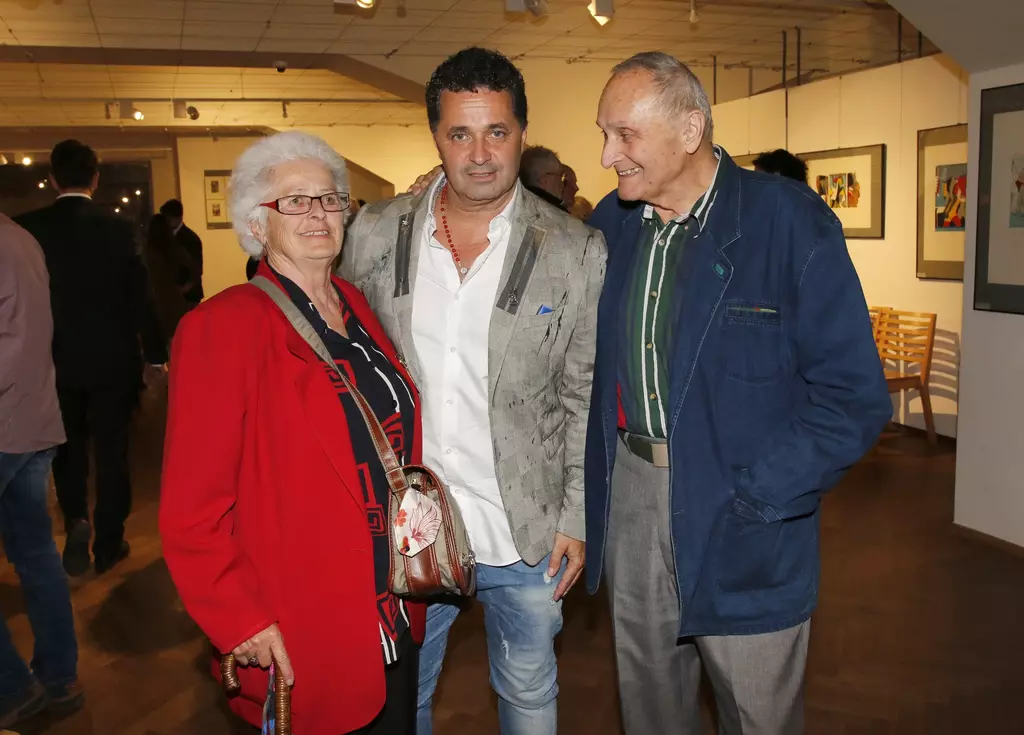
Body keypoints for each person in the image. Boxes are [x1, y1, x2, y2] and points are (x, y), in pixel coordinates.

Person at [584, 52, 892, 734]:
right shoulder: (613, 225)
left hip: (743, 512)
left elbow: (853, 396)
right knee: (650, 709)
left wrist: (764, 493)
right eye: (604, 133)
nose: (607, 155)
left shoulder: (788, 222)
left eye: (625, 134)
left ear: (690, 129)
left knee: (758, 714)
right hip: (634, 501)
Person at [340, 47, 605, 735]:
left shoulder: (575, 250)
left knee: (529, 693)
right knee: (404, 698)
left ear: (522, 133)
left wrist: (575, 514)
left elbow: (582, 393)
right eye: (460, 133)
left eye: (497, 132)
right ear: (436, 136)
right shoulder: (374, 235)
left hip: (526, 530)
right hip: (411, 526)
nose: (480, 154)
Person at [160, 131, 426, 734]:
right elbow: (190, 513)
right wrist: (239, 620)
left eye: (330, 199)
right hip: (304, 619)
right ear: (257, 224)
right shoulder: (222, 327)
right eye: (295, 202)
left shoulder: (353, 304)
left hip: (392, 603)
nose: (318, 214)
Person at [15, 139, 168, 577]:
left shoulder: (29, 230)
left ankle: (76, 519)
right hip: (112, 362)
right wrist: (155, 354)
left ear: (52, 179)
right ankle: (109, 541)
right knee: (112, 452)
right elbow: (140, 297)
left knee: (66, 450)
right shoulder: (118, 229)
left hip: (53, 362)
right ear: (95, 179)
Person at [0, 214, 84, 730]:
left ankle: (12, 689)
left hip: (6, 423)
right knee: (36, 555)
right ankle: (60, 678)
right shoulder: (20, 236)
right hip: (33, 420)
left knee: (35, 554)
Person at [144, 213, 195, 341]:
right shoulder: (174, 249)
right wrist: (186, 286)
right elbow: (194, 268)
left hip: (154, 299)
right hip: (173, 298)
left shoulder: (147, 252)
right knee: (176, 339)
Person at [159, 198, 204, 307]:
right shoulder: (166, 236)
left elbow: (197, 268)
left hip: (188, 295)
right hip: (174, 293)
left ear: (179, 217)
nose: (167, 222)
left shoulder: (190, 238)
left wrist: (184, 288)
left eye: (170, 218)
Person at [518, 145, 568, 211]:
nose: (562, 184)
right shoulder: (555, 213)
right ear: (543, 180)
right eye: (560, 176)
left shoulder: (514, 208)